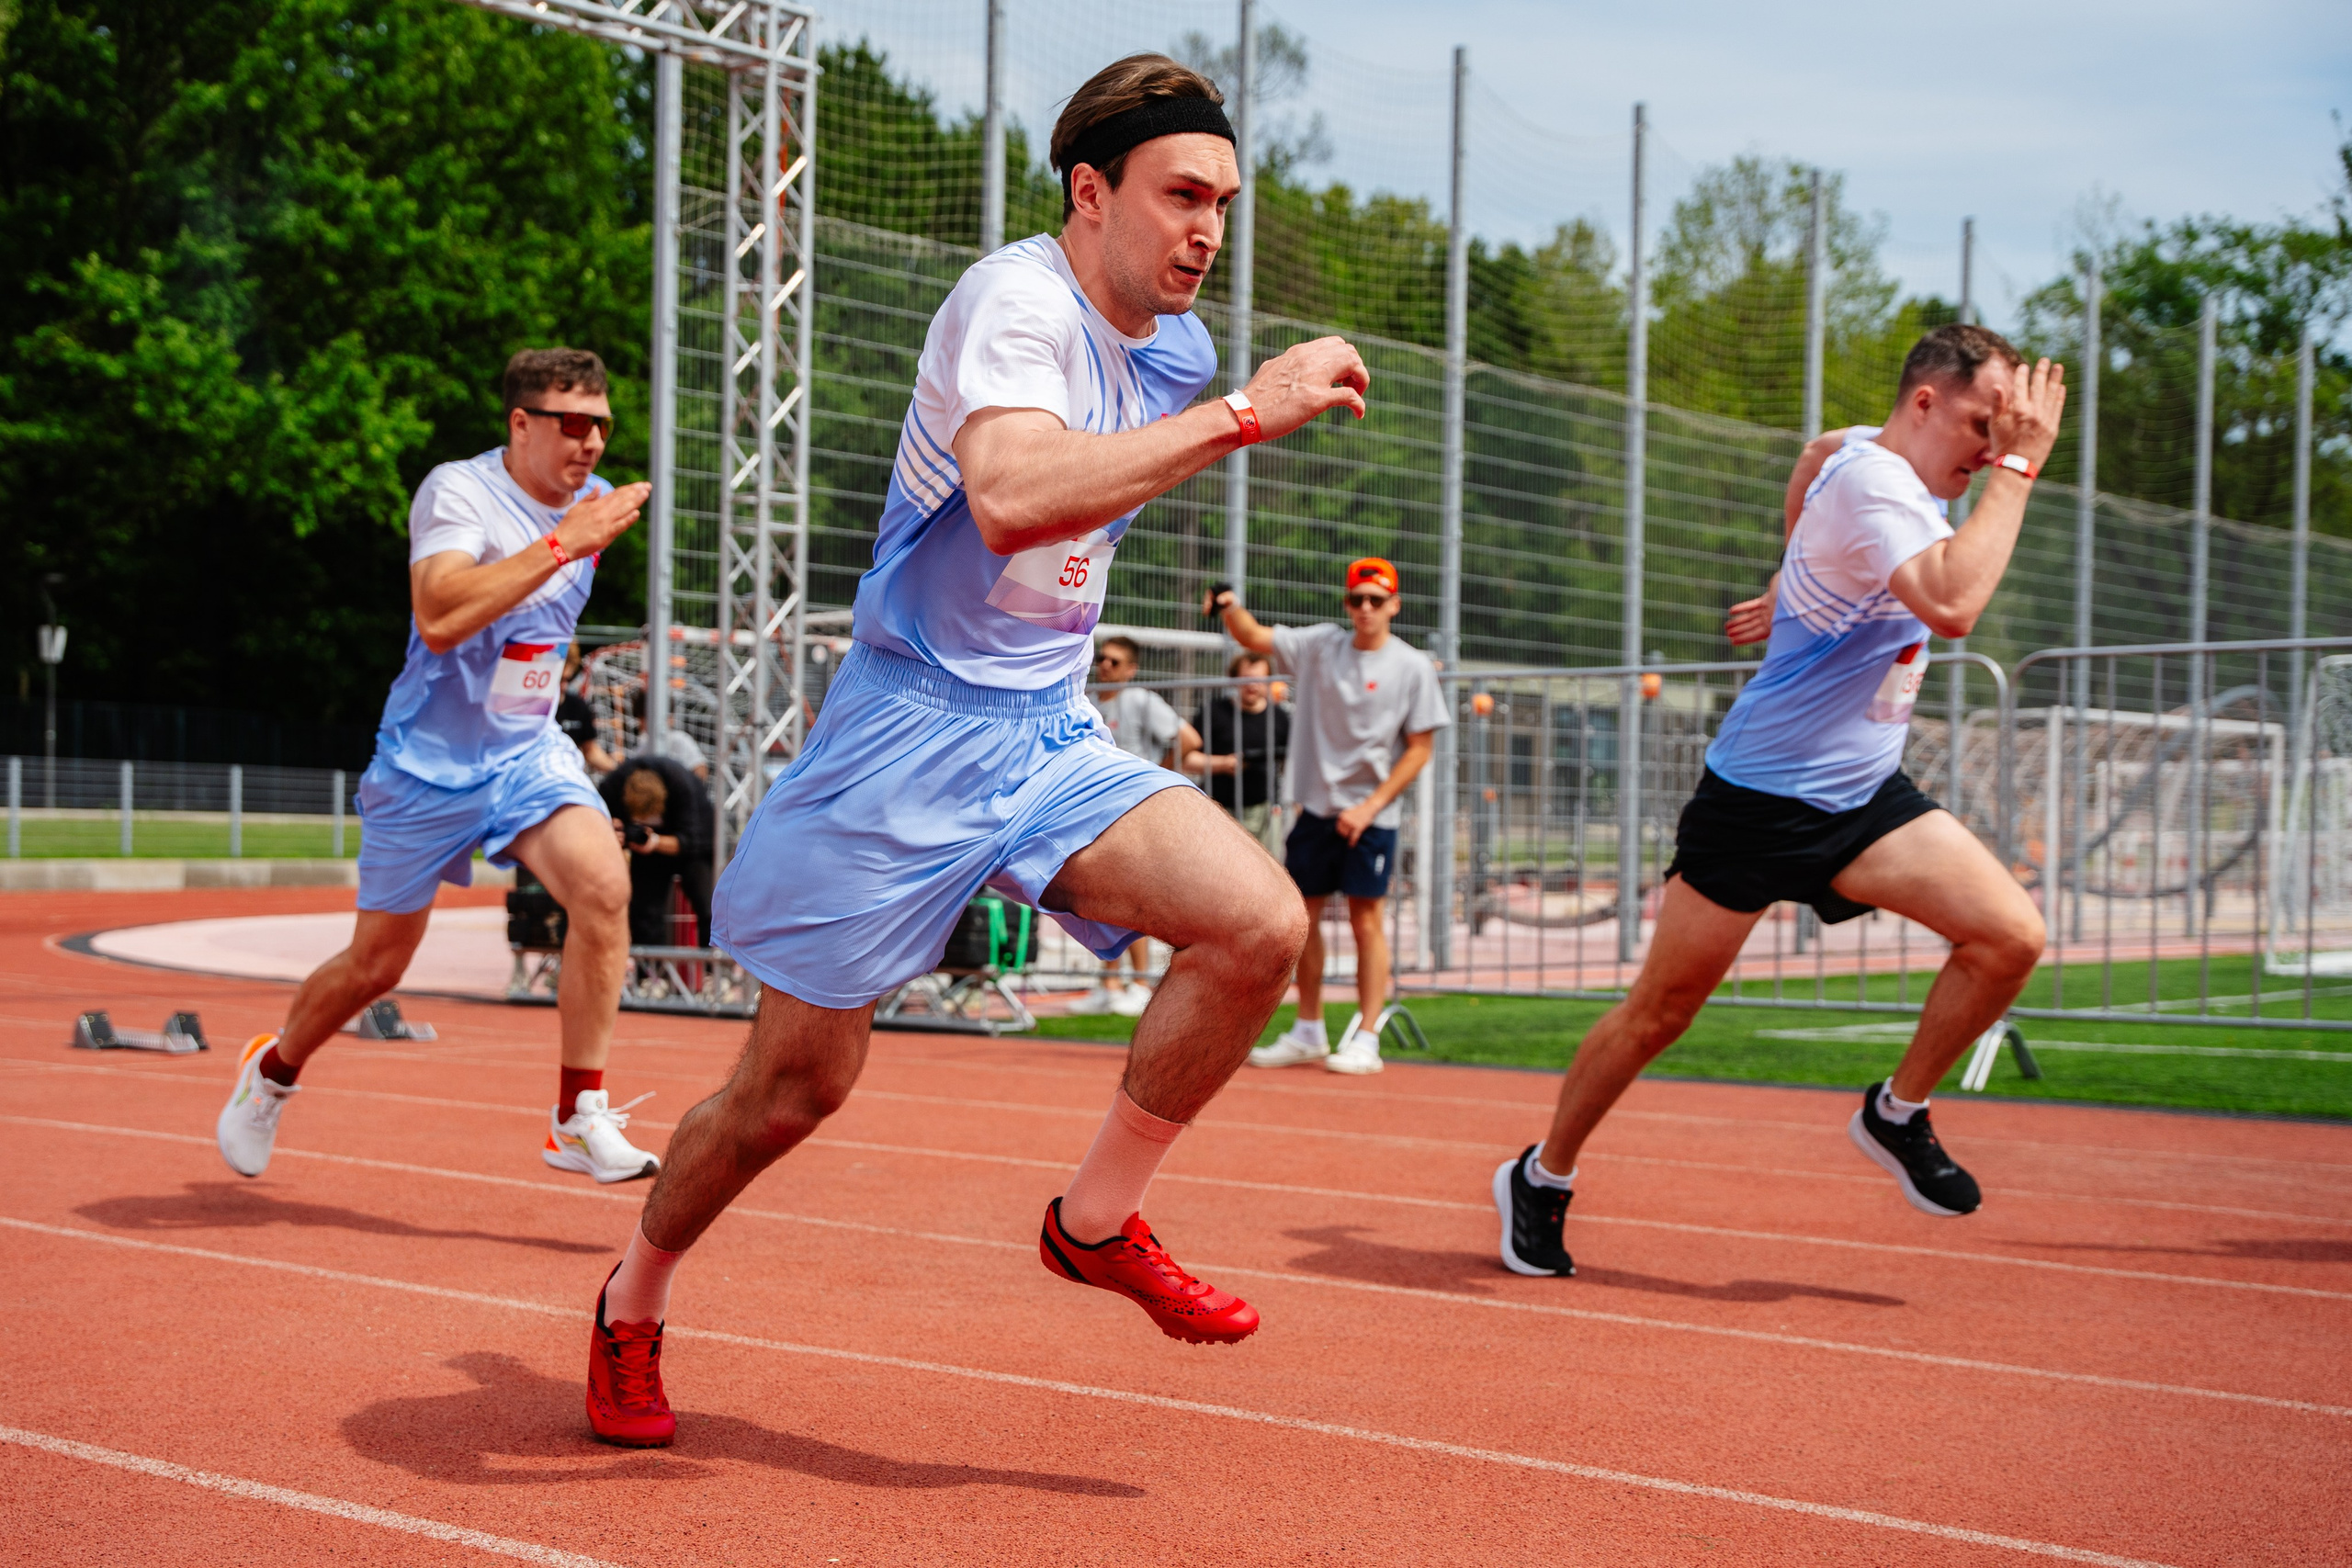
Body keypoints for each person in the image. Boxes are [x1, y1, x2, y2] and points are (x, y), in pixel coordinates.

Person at [582, 53, 1371, 1448]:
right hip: (903, 736)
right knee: (791, 1094)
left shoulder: (1173, 350)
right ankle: (631, 1298)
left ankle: (1095, 1221)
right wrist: (1247, 414)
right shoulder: (1014, 301)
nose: (1208, 231)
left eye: (1224, 206)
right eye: (1182, 195)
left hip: (1046, 734)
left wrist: (1219, 404)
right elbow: (1007, 499)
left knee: (1259, 923)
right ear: (1090, 192)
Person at [1493, 324, 2064, 1278]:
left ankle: (1897, 1112)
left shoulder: (1866, 453)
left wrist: (1792, 576)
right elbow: (1955, 604)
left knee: (2010, 936)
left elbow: (1812, 450)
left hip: (1864, 799)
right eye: (1981, 422)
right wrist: (2019, 465)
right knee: (1658, 1014)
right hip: (1757, 801)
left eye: (2003, 428)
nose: (1990, 442)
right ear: (1925, 402)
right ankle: (1541, 1174)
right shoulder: (1877, 485)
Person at [215, 347, 662, 1187]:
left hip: (525, 753)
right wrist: (563, 543)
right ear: (521, 424)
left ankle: (578, 1115)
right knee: (377, 966)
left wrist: (573, 538)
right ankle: (271, 1072)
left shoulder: (595, 499)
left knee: (605, 887)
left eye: (603, 425)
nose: (594, 442)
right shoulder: (458, 492)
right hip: (427, 766)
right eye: (574, 423)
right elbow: (440, 615)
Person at [1204, 558, 1448, 1076]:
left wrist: (1370, 807)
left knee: (1366, 922)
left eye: (1376, 600)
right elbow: (1252, 635)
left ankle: (1366, 1036)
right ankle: (1309, 1029)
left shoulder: (1412, 667)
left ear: (1394, 605)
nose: (1366, 608)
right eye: (1357, 599)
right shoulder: (1321, 645)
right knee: (1303, 921)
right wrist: (1228, 604)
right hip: (1315, 808)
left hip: (1372, 815)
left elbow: (1420, 749)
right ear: (1347, 603)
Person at [1070, 634, 1204, 1017]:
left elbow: (1188, 739)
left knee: (1133, 899)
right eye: (1102, 658)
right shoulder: (1088, 701)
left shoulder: (1141, 699)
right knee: (1100, 899)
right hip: (1096, 812)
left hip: (1134, 811)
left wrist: (1156, 777)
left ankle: (1141, 983)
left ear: (1131, 669)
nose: (1104, 665)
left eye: (1114, 661)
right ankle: (1109, 983)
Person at [598, 753, 715, 947]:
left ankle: (715, 964)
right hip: (646, 855)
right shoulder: (613, 786)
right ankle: (650, 966)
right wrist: (612, 831)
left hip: (695, 846)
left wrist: (655, 841)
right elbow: (595, 821)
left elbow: (689, 840)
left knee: (709, 909)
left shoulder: (681, 785)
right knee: (644, 915)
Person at [1183, 650, 1289, 853]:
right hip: (1216, 808)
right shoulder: (1214, 712)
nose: (1252, 685)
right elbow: (1187, 760)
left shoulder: (1279, 718)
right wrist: (1224, 763)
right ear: (1234, 678)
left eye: (1259, 679)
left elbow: (1290, 763)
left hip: (1262, 811)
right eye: (1246, 678)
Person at [558, 645, 621, 776]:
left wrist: (620, 772)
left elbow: (591, 750)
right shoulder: (529, 710)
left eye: (567, 679)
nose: (563, 686)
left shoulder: (577, 706)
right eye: (559, 680)